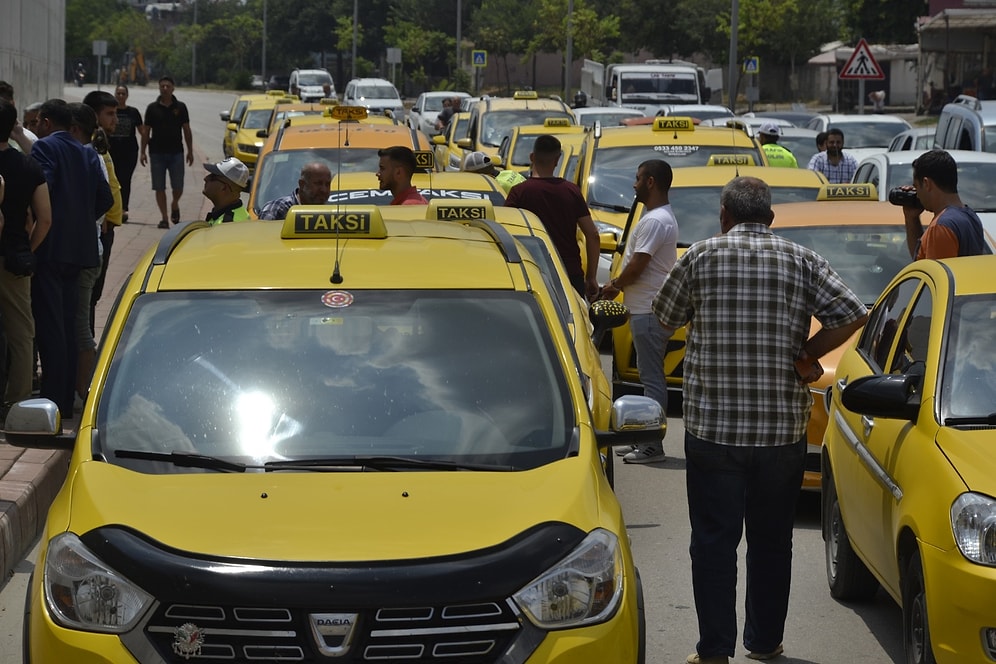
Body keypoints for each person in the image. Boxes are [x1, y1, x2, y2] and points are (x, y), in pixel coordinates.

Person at [651, 176, 868, 664]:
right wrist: (807, 352)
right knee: (772, 542)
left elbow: (663, 320)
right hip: (780, 434)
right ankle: (765, 642)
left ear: (725, 215)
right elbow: (854, 313)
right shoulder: (801, 260)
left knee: (712, 543)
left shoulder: (701, 256)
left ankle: (713, 651)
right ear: (769, 218)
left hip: (714, 433)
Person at [30, 99, 112, 418]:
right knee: (67, 325)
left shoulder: (44, 148)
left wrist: (55, 220)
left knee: (51, 329)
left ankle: (53, 403)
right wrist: (80, 219)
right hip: (80, 251)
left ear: (48, 122)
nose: (36, 127)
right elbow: (105, 197)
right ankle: (64, 402)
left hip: (50, 248)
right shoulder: (87, 152)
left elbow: (43, 189)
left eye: (38, 122)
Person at [599, 159, 677, 464]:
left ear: (651, 182)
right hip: (645, 309)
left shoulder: (656, 220)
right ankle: (643, 439)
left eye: (637, 179)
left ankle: (651, 446)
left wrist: (615, 285)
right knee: (649, 377)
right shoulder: (656, 218)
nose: (633, 185)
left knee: (652, 379)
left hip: (649, 310)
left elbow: (638, 264)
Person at [504, 134, 600, 300]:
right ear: (557, 160)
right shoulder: (571, 191)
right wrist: (591, 277)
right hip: (568, 272)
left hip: (531, 270)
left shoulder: (519, 193)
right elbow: (593, 235)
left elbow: (505, 230)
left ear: (532, 157)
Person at [0, 98, 51, 407]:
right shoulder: (27, 165)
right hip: (14, 259)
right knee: (21, 335)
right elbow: (45, 219)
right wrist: (27, 248)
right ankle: (16, 402)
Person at [68, 102, 118, 403]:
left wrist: (84, 221)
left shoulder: (89, 156)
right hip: (88, 248)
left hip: (86, 251)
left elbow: (106, 199)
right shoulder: (89, 155)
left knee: (80, 324)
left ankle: (85, 391)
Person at [899, 149, 992, 259]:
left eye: (917, 187)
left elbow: (932, 274)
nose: (917, 194)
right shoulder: (971, 217)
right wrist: (911, 218)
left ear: (926, 183)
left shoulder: (941, 227)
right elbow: (920, 259)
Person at [83, 90, 124, 340]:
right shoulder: (88, 146)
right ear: (93, 115)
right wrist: (101, 219)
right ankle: (86, 345)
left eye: (116, 113)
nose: (115, 120)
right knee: (89, 294)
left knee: (94, 294)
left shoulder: (101, 143)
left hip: (108, 227)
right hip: (100, 229)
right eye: (109, 114)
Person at [141, 76, 193, 229]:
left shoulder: (181, 107)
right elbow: (146, 131)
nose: (165, 88)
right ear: (159, 88)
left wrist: (190, 151)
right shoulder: (152, 108)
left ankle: (174, 203)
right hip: (156, 153)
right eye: (162, 86)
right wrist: (142, 152)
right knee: (159, 187)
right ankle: (164, 217)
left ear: (173, 88)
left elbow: (187, 130)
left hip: (176, 152)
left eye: (167, 86)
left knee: (178, 186)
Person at [108, 85, 145, 224]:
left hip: (129, 152)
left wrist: (145, 149)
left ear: (127, 95)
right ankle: (112, 208)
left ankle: (123, 209)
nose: (121, 96)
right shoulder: (111, 111)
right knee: (112, 179)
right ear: (115, 94)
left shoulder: (133, 112)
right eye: (118, 93)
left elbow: (142, 131)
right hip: (112, 151)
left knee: (125, 179)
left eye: (123, 93)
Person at [258, 161, 333, 220]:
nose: (324, 190)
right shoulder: (277, 210)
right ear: (302, 184)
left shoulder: (330, 214)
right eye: (318, 183)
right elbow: (262, 237)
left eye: (327, 184)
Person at [202, 157, 250, 224]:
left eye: (212, 177)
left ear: (224, 188)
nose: (206, 178)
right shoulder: (223, 214)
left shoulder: (229, 225)